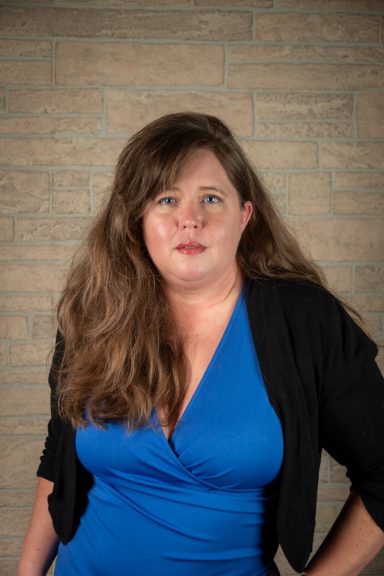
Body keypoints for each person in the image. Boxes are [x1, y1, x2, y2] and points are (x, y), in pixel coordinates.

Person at [17, 112, 384, 576]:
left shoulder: (305, 321)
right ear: (138, 219)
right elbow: (59, 449)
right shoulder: (97, 312)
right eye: (167, 199)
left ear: (244, 216)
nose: (189, 220)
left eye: (211, 198)